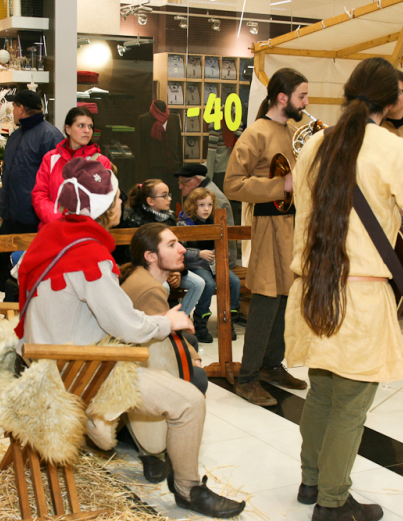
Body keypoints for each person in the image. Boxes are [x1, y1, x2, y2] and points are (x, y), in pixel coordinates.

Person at [15, 157, 245, 518]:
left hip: (37, 360)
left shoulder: (50, 237)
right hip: (76, 371)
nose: (122, 202)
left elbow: (20, 273)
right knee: (189, 401)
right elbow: (127, 327)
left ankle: (118, 434)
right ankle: (187, 490)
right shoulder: (88, 255)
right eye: (116, 197)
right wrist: (168, 322)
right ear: (104, 206)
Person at [285, 57, 403, 521]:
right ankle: (332, 503)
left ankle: (311, 480)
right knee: (350, 404)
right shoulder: (391, 149)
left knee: (320, 391)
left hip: (310, 291)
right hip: (358, 296)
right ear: (394, 99)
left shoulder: (314, 146)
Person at [223, 68, 309, 407]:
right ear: (282, 98)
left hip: (292, 226)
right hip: (268, 226)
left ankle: (272, 365)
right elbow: (232, 184)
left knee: (288, 298)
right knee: (266, 299)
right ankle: (247, 376)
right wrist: (279, 186)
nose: (307, 102)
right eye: (302, 95)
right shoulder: (256, 133)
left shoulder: (292, 131)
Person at [120, 222, 208, 483]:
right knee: (197, 379)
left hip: (131, 355)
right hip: (128, 368)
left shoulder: (141, 276)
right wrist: (196, 361)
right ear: (151, 257)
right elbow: (159, 349)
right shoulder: (149, 289)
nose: (181, 249)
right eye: (171, 245)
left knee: (189, 341)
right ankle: (148, 446)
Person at [121, 179, 205, 318]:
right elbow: (135, 256)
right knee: (163, 286)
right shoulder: (132, 220)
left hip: (167, 267)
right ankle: (161, 322)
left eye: (169, 194)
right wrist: (167, 271)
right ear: (150, 201)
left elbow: (177, 249)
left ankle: (179, 321)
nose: (169, 199)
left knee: (198, 283)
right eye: (164, 195)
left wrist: (177, 271)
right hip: (146, 269)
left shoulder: (169, 218)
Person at [177, 188, 242, 342]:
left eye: (209, 205)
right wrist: (199, 253)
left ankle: (228, 322)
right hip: (197, 263)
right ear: (193, 206)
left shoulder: (216, 220)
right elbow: (181, 250)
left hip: (215, 262)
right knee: (208, 284)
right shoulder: (184, 223)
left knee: (234, 282)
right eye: (201, 205)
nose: (206, 209)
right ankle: (200, 324)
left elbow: (223, 243)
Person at [32, 106, 111, 229]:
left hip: (85, 232)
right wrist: (57, 220)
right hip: (53, 229)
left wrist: (77, 225)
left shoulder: (101, 162)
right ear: (68, 129)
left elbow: (103, 201)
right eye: (81, 125)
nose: (87, 130)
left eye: (90, 126)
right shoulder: (50, 158)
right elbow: (40, 194)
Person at [0, 89, 62, 234]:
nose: (12, 111)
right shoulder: (15, 136)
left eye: (13, 107)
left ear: (21, 109)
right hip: (11, 219)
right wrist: (4, 212)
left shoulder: (51, 137)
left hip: (35, 221)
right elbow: (8, 174)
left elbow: (58, 182)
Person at [175, 164, 237, 269]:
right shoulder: (201, 194)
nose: (180, 186)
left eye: (183, 182)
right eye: (179, 182)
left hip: (219, 260)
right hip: (203, 258)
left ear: (197, 181)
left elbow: (218, 235)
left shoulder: (211, 196)